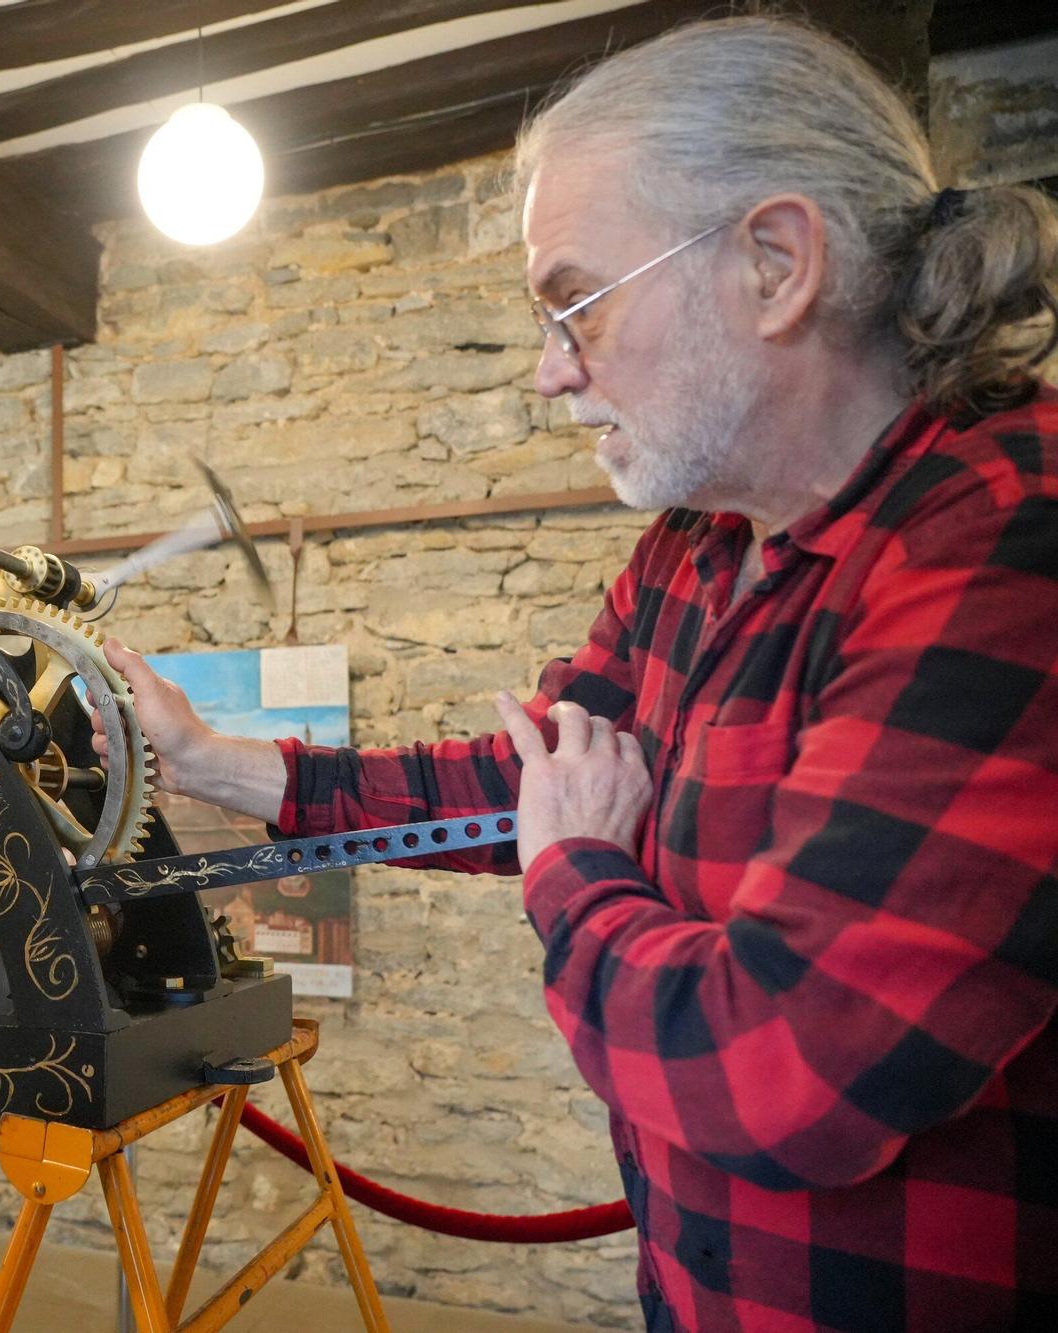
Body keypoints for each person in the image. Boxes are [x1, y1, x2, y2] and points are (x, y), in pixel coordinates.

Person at [96, 16, 1058, 1330]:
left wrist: (573, 872)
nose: (553, 373)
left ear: (775, 263)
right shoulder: (698, 548)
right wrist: (210, 760)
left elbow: (776, 1070)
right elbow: (520, 782)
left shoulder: (1007, 534)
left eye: (579, 304)